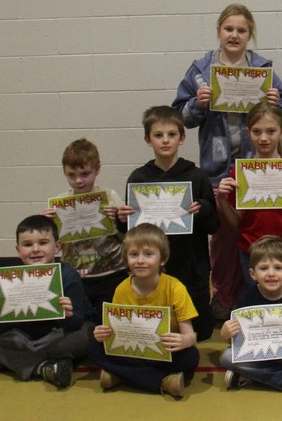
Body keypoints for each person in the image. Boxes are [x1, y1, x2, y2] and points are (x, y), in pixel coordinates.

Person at [172, 4, 282, 321]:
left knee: (256, 234)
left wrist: (277, 103)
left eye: (241, 30)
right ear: (219, 32)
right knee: (223, 241)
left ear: (249, 34)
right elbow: (180, 117)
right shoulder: (200, 70)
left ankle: (260, 297)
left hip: (260, 169)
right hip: (218, 170)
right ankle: (224, 297)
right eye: (229, 29)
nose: (234, 35)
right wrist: (198, 104)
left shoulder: (263, 69)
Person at [117, 106, 218, 342]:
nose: (165, 140)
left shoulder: (196, 176)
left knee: (201, 333)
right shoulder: (139, 178)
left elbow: (215, 226)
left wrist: (203, 209)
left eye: (172, 134)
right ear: (147, 139)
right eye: (158, 135)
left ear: (182, 138)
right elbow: (129, 231)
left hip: (191, 265)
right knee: (152, 334)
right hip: (152, 270)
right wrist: (121, 219)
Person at [0, 215, 94, 389]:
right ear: (18, 249)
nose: (35, 249)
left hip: (58, 333)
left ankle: (6, 359)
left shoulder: (68, 276)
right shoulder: (10, 279)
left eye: (43, 243)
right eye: (27, 245)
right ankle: (43, 368)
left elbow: (76, 323)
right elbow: (1, 328)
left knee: (86, 334)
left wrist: (66, 315)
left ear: (57, 246)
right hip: (27, 334)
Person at [215, 101, 282, 289]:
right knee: (256, 307)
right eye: (257, 132)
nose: (264, 138)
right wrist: (222, 200)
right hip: (251, 251)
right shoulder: (239, 173)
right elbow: (236, 223)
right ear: (248, 132)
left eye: (271, 131)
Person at [89, 224, 200, 399]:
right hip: (132, 350)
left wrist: (184, 340)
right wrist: (102, 334)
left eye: (148, 254)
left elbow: (191, 336)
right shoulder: (121, 289)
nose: (140, 260)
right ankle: (163, 382)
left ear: (162, 259)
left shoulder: (175, 288)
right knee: (94, 346)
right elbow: (115, 333)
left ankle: (120, 376)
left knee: (191, 356)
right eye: (134, 254)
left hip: (164, 350)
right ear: (126, 259)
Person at [219, 236, 282, 394]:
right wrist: (226, 334)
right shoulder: (246, 297)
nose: (271, 274)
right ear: (252, 273)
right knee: (226, 356)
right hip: (257, 354)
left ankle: (250, 376)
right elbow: (238, 341)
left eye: (278, 268)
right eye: (264, 268)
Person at [42, 138, 127, 309]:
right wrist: (46, 227)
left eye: (85, 174)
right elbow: (53, 247)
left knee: (109, 321)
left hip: (112, 273)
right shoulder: (59, 203)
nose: (78, 181)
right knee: (81, 320)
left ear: (98, 169)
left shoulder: (110, 197)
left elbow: (127, 238)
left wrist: (118, 220)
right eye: (71, 175)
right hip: (77, 275)